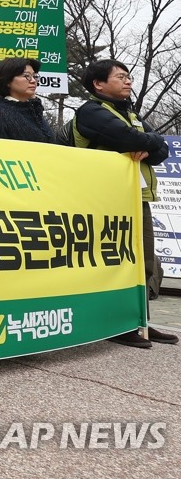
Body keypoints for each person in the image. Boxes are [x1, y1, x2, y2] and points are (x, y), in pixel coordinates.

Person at [74, 59, 177, 348]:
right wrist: (147, 140)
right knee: (115, 260)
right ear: (98, 84)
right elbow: (125, 137)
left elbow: (160, 151)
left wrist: (148, 141)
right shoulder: (91, 111)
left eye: (128, 76)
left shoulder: (129, 113)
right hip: (106, 199)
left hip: (136, 197)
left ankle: (139, 321)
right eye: (120, 77)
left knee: (143, 261)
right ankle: (115, 323)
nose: (128, 81)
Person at [0, 57, 53, 143]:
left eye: (34, 76)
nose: (33, 81)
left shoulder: (33, 112)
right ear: (7, 80)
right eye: (26, 76)